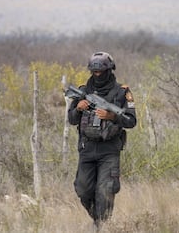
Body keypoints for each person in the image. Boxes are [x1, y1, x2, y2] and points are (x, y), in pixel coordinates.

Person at [68, 51, 137, 230]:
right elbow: (72, 119)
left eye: (101, 71)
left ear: (109, 70)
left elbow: (131, 121)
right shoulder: (83, 91)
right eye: (94, 72)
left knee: (106, 191)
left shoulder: (122, 92)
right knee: (83, 190)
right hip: (87, 149)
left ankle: (101, 226)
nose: (97, 75)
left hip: (110, 150)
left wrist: (112, 116)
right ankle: (98, 218)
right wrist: (79, 108)